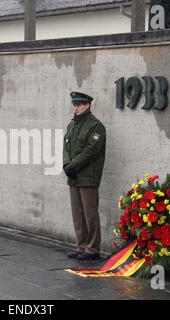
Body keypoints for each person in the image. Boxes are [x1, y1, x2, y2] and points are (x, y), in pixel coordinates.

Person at [63, 91, 106, 261]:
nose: (77, 107)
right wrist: (66, 164)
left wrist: (73, 165)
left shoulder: (96, 126)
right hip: (73, 175)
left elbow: (91, 150)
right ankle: (81, 246)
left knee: (90, 213)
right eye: (75, 104)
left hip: (88, 175)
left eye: (80, 104)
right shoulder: (72, 125)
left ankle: (93, 249)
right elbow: (66, 146)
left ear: (88, 105)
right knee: (77, 213)